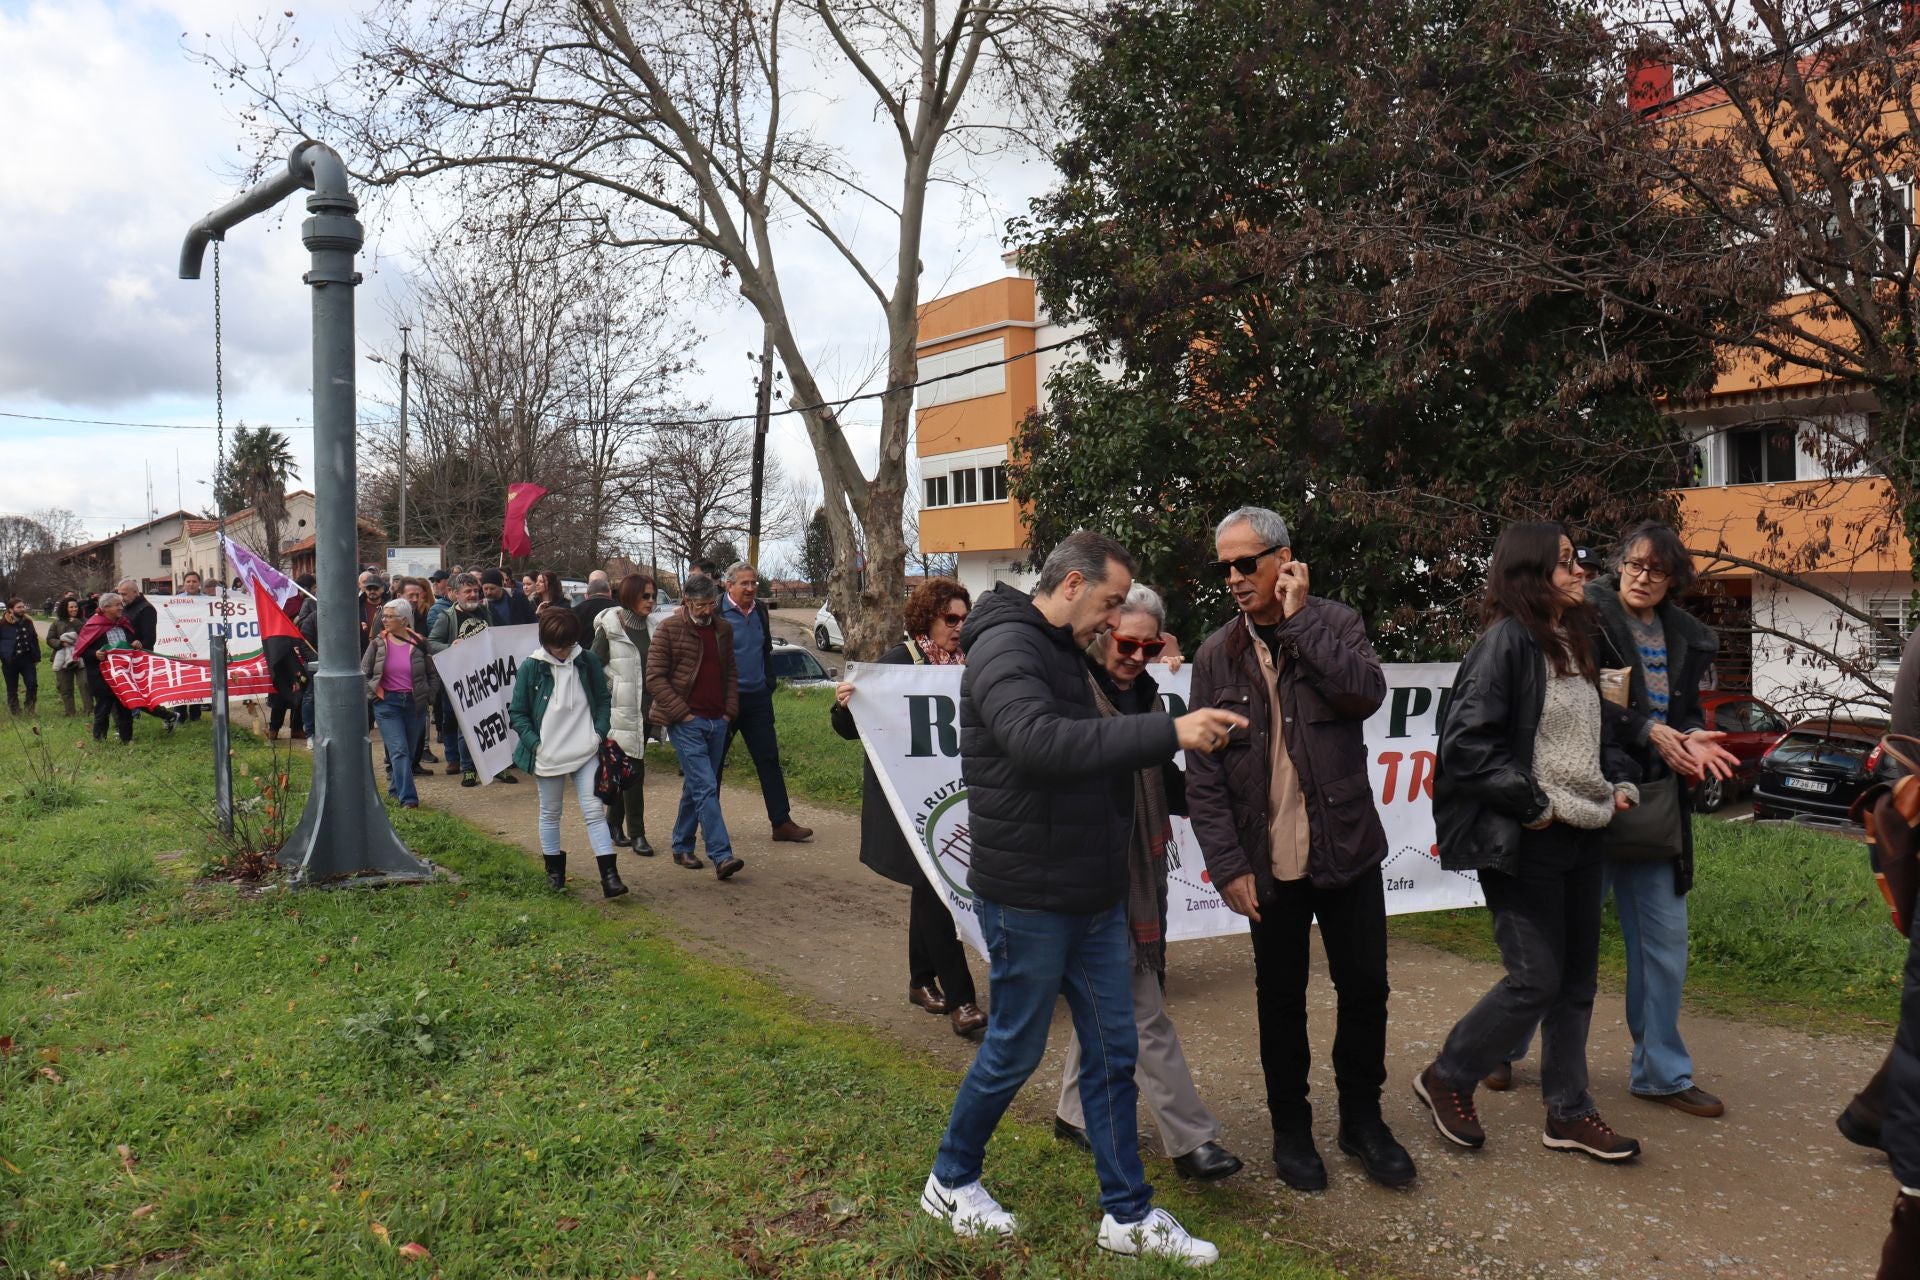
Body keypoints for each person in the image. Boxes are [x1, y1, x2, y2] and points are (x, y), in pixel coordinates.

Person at [920, 531, 1245, 1266]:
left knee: (1111, 1051)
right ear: (1070, 586)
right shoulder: (1008, 647)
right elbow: (1039, 743)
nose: (1111, 619)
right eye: (1106, 603)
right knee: (1015, 1049)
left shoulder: (1058, 647)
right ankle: (950, 1179)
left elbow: (1088, 737)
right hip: (1032, 895)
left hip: (1092, 892)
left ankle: (1127, 1216)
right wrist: (1169, 730)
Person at [1183, 506, 1413, 1191]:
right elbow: (1203, 778)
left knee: (1365, 989)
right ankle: (1291, 1129)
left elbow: (1364, 693)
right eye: (1223, 565)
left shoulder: (1335, 624)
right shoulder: (1213, 654)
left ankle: (1362, 1122)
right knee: (1279, 1000)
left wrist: (1302, 621)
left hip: (1345, 851)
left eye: (1245, 562)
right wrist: (1227, 865)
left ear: (1284, 560)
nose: (1233, 577)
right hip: (1266, 864)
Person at [1487, 523, 1738, 1114]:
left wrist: (1693, 736)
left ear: (1674, 579)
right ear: (1618, 565)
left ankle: (1662, 1073)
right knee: (1552, 944)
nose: (1641, 577)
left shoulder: (1687, 636)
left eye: (1656, 570)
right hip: (1588, 798)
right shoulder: (1580, 613)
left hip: (1654, 807)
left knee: (1663, 948)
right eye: (1633, 564)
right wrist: (1650, 732)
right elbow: (1570, 699)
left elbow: (1683, 713)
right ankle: (1501, 1046)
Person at [1415, 522, 1643, 1163]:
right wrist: (1535, 805)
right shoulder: (1505, 645)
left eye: (1578, 561)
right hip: (1530, 837)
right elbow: (1466, 749)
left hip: (1585, 832)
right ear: (1530, 573)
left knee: (1575, 984)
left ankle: (1569, 1112)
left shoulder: (1577, 641)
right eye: (1566, 563)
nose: (1581, 572)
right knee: (1535, 978)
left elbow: (1595, 734)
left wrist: (1619, 780)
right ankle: (1448, 1076)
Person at [1052, 583, 1243, 1182]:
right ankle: (1191, 1140)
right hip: (1083, 869)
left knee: (1115, 996)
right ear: (1102, 632)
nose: (1135, 655)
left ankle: (1074, 1112)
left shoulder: (1153, 700)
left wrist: (1232, 781)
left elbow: (1170, 783)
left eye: (1148, 644)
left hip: (1137, 870)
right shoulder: (1069, 691)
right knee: (1142, 1009)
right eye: (1125, 642)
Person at [831, 577, 988, 1038]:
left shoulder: (971, 665)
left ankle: (921, 981)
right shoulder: (898, 664)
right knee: (937, 890)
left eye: (965, 618)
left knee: (931, 887)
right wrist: (844, 706)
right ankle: (962, 1000)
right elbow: (848, 729)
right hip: (905, 803)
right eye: (950, 619)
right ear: (927, 619)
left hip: (955, 800)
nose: (959, 627)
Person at [509, 608, 625, 898]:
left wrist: (598, 733)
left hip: (585, 749)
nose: (562, 652)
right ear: (545, 641)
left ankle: (610, 877)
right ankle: (555, 874)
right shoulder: (531, 667)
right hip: (548, 754)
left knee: (594, 812)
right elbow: (518, 712)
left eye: (567, 644)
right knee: (550, 813)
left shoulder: (587, 661)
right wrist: (536, 744)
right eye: (556, 646)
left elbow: (602, 699)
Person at [644, 572, 743, 879]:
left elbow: (730, 674)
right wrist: (683, 714)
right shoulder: (669, 629)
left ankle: (682, 844)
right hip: (686, 721)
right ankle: (721, 855)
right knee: (706, 786)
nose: (707, 610)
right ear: (686, 601)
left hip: (718, 720)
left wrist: (729, 712)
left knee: (697, 786)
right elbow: (655, 678)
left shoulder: (723, 629)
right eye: (701, 605)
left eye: (711, 604)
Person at [720, 561, 814, 843]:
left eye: (753, 582)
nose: (751, 588)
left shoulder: (760, 610)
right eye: (744, 583)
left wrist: (768, 682)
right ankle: (708, 823)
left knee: (769, 759)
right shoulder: (715, 612)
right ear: (729, 586)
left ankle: (781, 823)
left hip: (758, 698)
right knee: (712, 764)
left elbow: (764, 649)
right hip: (725, 702)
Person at [428, 572, 516, 787]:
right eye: (468, 591)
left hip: (487, 677)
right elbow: (431, 643)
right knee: (466, 726)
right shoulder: (446, 617)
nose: (473, 595)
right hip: (463, 680)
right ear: (456, 594)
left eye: (475, 591)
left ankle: (500, 766)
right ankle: (468, 769)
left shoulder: (485, 612)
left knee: (495, 721)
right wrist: (451, 647)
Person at [591, 572, 657, 855]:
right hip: (620, 710)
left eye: (653, 596)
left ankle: (613, 823)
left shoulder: (653, 628)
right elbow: (591, 666)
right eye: (645, 596)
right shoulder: (610, 628)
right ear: (630, 597)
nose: (651, 601)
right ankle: (637, 833)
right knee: (635, 772)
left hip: (646, 712)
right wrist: (613, 685)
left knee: (623, 770)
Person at [361, 600, 437, 809]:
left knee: (410, 752)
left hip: (415, 705)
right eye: (383, 616)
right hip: (388, 705)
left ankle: (395, 790)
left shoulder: (420, 642)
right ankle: (409, 799)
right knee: (399, 750)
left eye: (389, 616)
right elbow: (364, 673)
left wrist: (429, 697)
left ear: (403, 620)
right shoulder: (377, 643)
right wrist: (374, 696)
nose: (384, 620)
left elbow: (433, 673)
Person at [72, 592, 137, 743]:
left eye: (121, 604)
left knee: (125, 707)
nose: (121, 608)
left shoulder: (123, 623)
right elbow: (82, 650)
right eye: (117, 605)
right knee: (103, 708)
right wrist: (95, 654)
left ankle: (127, 739)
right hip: (101, 676)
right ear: (105, 607)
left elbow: (130, 642)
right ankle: (99, 740)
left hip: (123, 675)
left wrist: (135, 643)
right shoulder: (93, 625)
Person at [115, 578, 177, 732]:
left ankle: (168, 716)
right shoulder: (126, 607)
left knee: (138, 697)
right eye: (119, 594)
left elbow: (149, 639)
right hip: (124, 656)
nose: (121, 598)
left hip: (138, 659)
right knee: (124, 695)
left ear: (135, 592)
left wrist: (134, 647)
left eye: (124, 594)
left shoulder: (146, 609)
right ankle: (122, 727)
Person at [46, 598, 90, 718]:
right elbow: (50, 639)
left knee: (85, 684)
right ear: (65, 608)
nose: (74, 609)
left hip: (81, 657)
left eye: (76, 607)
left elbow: (88, 635)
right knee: (65, 687)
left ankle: (89, 711)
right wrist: (61, 644)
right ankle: (70, 712)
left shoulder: (84, 621)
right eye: (71, 607)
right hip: (62, 658)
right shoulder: (57, 622)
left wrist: (76, 623)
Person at [1, 598, 40, 714]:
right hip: (10, 660)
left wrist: (36, 656)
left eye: (23, 607)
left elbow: (34, 639)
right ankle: (15, 711)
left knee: (32, 684)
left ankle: (30, 708)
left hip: (27, 659)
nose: (22, 609)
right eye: (18, 607)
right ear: (10, 609)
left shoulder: (28, 622)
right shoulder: (2, 624)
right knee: (12, 688)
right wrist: (3, 655)